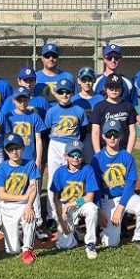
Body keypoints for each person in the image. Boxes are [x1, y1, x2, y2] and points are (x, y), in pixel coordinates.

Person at [93, 121, 140, 253]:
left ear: (121, 136)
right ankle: (103, 232)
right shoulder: (97, 158)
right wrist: (99, 210)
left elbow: (130, 183)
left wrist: (120, 207)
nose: (112, 137)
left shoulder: (127, 156)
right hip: (106, 200)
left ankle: (139, 239)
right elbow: (95, 187)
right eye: (109, 134)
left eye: (115, 134)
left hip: (125, 196)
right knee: (112, 243)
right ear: (103, 136)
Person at [44, 78, 88, 227]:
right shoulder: (51, 111)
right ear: (56, 94)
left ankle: (74, 213)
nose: (64, 94)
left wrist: (75, 144)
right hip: (55, 145)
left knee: (73, 179)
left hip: (73, 146)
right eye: (61, 91)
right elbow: (46, 132)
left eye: (67, 91)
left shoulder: (78, 110)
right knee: (53, 180)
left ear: (72, 93)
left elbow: (83, 131)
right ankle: (52, 215)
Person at [0, 134, 41, 263]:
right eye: (10, 149)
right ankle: (17, 238)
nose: (14, 152)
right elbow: (1, 195)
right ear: (5, 151)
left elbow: (33, 188)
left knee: (30, 216)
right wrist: (24, 196)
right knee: (12, 250)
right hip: (7, 206)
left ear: (23, 148)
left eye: (17, 148)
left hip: (24, 204)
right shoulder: (1, 168)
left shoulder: (30, 164)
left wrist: (29, 206)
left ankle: (27, 249)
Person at [50, 139, 100, 259]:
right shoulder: (59, 172)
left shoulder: (87, 169)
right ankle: (74, 234)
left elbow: (89, 197)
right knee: (66, 245)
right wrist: (62, 222)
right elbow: (55, 199)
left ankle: (90, 244)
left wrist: (70, 204)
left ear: (83, 156)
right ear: (65, 156)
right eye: (72, 154)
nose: (76, 157)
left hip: (80, 204)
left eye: (79, 154)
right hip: (64, 209)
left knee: (92, 208)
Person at [90, 73, 138, 154]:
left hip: (123, 150)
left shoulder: (128, 106)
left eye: (117, 87)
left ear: (122, 89)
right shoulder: (99, 107)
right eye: (111, 87)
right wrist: (98, 153)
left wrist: (128, 153)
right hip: (104, 150)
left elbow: (132, 132)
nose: (114, 90)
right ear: (105, 89)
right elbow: (95, 132)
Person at [5, 86, 47, 170]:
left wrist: (38, 160)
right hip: (13, 158)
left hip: (30, 158)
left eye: (25, 100)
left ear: (29, 99)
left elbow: (38, 140)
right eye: (19, 100)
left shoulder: (34, 116)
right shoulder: (8, 117)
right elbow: (6, 139)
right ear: (13, 100)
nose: (22, 103)